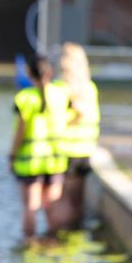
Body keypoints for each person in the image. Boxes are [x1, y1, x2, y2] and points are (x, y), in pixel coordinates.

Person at [9, 57, 68, 239]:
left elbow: (21, 130)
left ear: (29, 74)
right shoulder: (61, 94)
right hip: (55, 160)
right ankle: (53, 242)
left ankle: (30, 244)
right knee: (52, 205)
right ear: (50, 73)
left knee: (31, 206)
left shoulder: (25, 98)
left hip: (30, 161)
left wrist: (12, 155)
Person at [58, 43, 100, 230]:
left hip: (68, 151)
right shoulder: (90, 88)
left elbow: (62, 120)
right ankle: (77, 234)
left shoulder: (62, 89)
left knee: (65, 201)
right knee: (78, 202)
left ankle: (64, 237)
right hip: (86, 151)